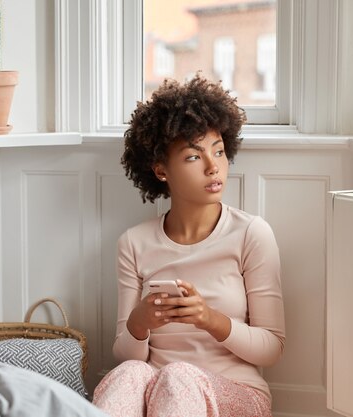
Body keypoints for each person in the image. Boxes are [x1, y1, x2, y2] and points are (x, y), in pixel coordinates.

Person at [92, 75, 285, 417]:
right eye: (194, 157)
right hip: (159, 394)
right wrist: (139, 323)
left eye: (219, 152)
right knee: (128, 374)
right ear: (161, 170)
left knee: (177, 376)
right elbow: (127, 355)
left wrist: (209, 319)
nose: (214, 167)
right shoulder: (133, 243)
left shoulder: (251, 234)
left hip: (237, 395)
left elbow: (271, 348)